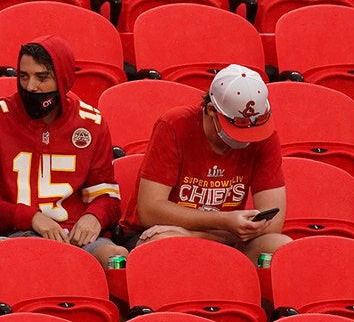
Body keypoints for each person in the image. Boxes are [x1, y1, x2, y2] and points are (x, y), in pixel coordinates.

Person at [0, 35, 127, 267]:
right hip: (14, 234)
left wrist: (94, 217)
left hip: (74, 235)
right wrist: (31, 217)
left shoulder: (91, 123)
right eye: (24, 76)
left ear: (63, 79)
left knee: (118, 258)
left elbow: (107, 196)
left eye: (42, 77)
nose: (31, 87)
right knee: (50, 261)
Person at [122, 64, 291, 263]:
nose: (247, 139)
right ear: (211, 110)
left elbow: (273, 222)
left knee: (281, 246)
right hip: (159, 231)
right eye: (238, 127)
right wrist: (224, 222)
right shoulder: (175, 125)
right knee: (165, 242)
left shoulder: (264, 136)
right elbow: (150, 210)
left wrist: (206, 234)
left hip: (228, 236)